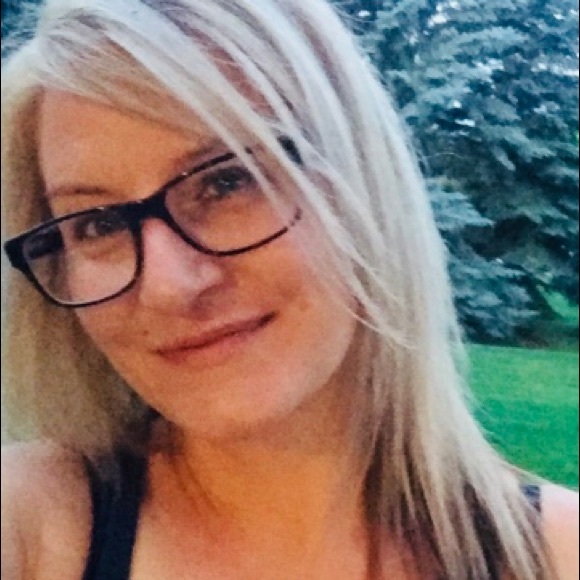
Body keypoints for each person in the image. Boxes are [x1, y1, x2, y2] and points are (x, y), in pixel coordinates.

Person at [1, 0, 577, 579]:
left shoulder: (558, 555)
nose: (168, 287)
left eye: (228, 181)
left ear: (361, 179)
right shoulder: (32, 527)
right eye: (96, 224)